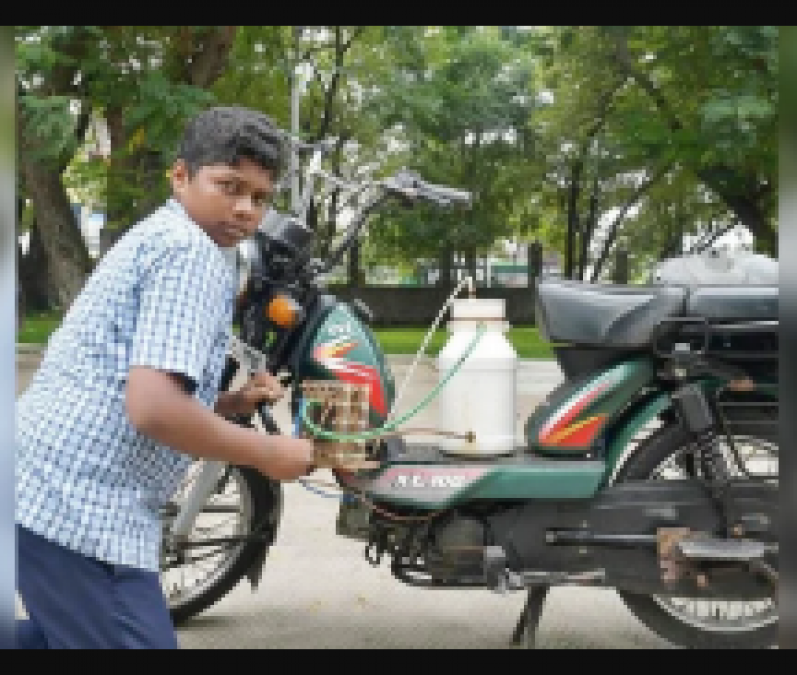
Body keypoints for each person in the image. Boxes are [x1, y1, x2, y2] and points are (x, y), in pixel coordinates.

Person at [15, 106, 316, 649]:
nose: (245, 209)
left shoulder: (165, 235)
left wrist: (227, 402)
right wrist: (269, 454)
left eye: (259, 197)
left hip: (44, 483)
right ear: (181, 176)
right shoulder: (190, 254)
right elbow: (152, 409)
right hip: (78, 507)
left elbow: (135, 382)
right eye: (229, 186)